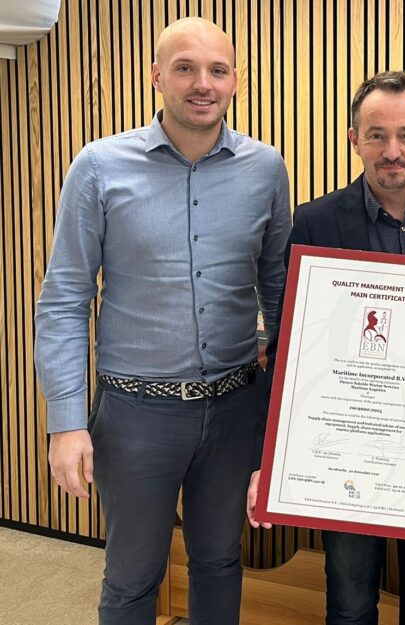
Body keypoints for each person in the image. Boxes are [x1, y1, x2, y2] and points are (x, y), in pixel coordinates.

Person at [34, 16, 292, 625]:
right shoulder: (99, 167)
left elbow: (280, 292)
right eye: (185, 68)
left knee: (219, 563)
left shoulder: (266, 169)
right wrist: (66, 422)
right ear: (157, 77)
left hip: (234, 408)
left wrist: (283, 413)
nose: (202, 83)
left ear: (236, 81)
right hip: (135, 415)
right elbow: (65, 298)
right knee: (132, 579)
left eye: (217, 70)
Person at [245, 71, 405, 625]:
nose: (393, 151)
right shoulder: (316, 220)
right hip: (347, 443)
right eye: (377, 135)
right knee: (352, 596)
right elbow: (291, 342)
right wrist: (270, 455)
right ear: (354, 139)